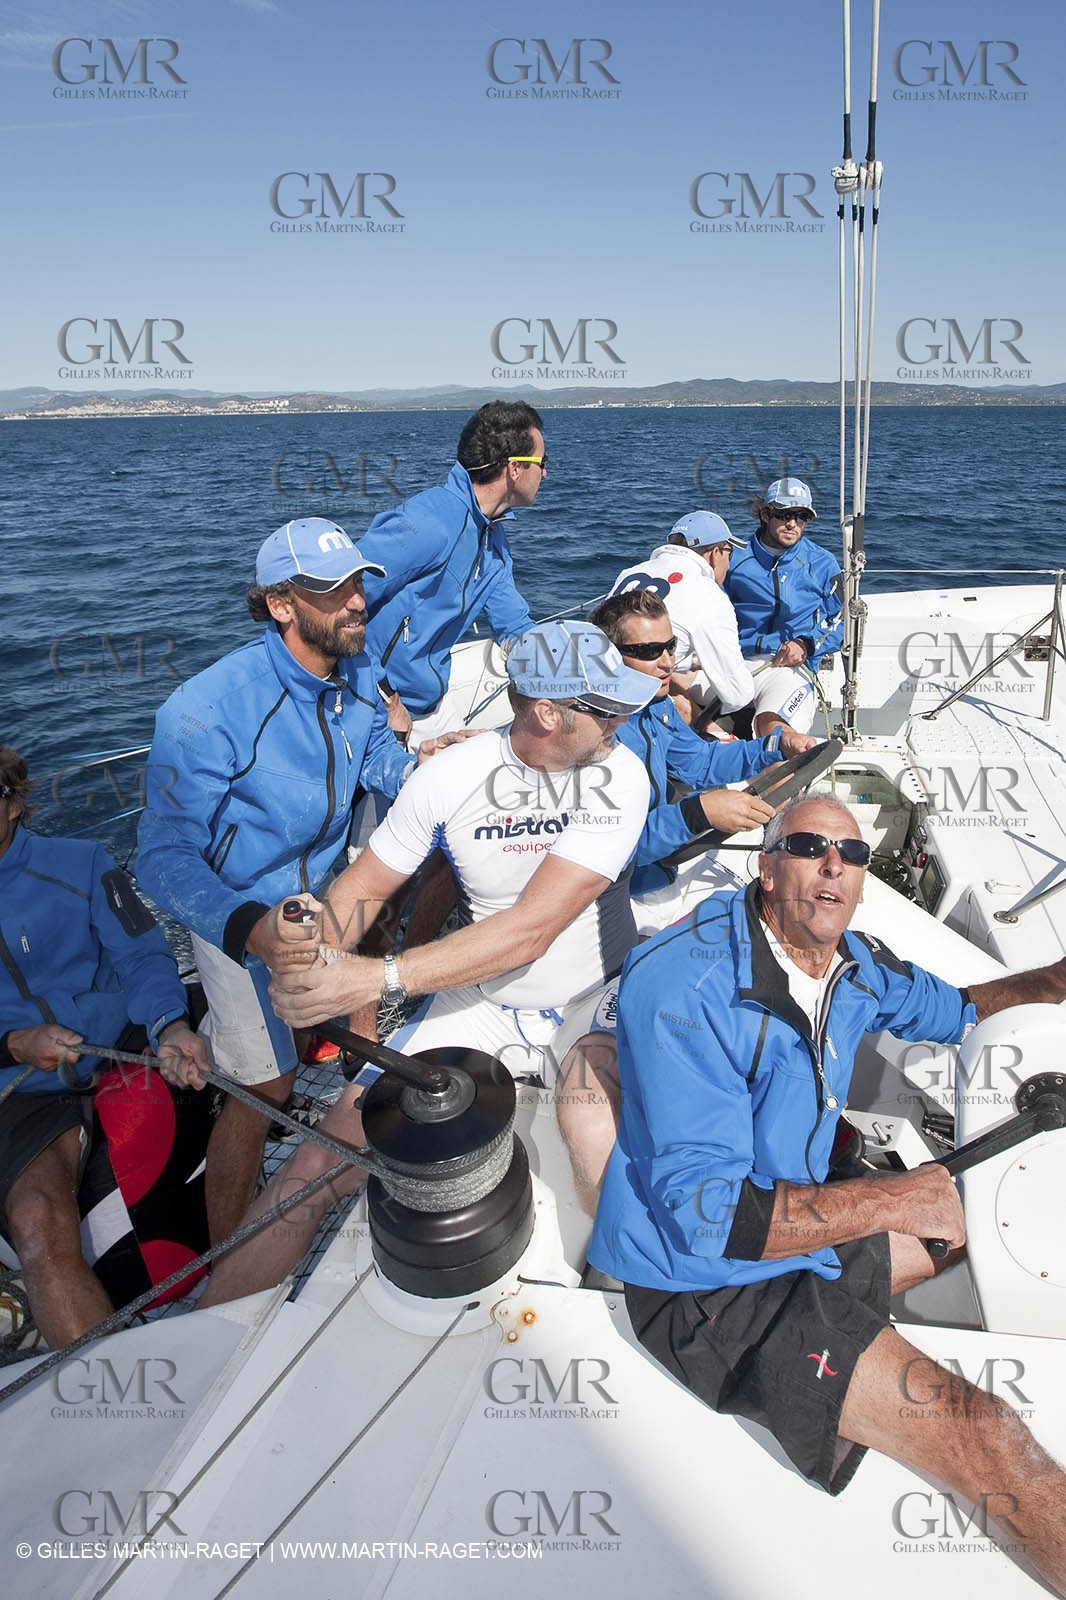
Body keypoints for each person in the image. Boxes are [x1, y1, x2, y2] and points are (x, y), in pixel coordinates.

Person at [589, 792, 1066, 1591]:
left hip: (792, 1220)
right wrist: (892, 1198)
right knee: (982, 1429)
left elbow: (953, 1011)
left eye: (851, 853)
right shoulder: (687, 986)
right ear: (768, 866)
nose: (833, 865)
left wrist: (1051, 981)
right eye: (808, 846)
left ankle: (846, 1322)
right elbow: (711, 1220)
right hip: (698, 1286)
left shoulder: (852, 964)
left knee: (983, 1233)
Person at [198, 620, 658, 1304]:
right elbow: (362, 890)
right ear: (550, 712)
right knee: (319, 1159)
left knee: (591, 1127)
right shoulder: (450, 778)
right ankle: (203, 1336)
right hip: (482, 1001)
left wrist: (375, 977)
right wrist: (305, 959)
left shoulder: (620, 773)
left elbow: (531, 930)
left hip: (594, 991)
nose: (623, 720)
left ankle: (633, 1302)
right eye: (608, 708)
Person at [137, 517, 443, 1245]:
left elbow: (378, 762)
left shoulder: (358, 672)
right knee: (264, 1087)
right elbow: (161, 856)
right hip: (238, 911)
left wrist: (431, 771)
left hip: (330, 887)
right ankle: (225, 1254)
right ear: (281, 604)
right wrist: (252, 931)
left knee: (363, 1000)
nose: (357, 601)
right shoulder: (205, 709)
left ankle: (362, 1120)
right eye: (332, 590)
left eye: (358, 582)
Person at [0, 746, 208, 1347]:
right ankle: (110, 1406)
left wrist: (170, 1026)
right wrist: (13, 1043)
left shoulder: (84, 862)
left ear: (13, 802)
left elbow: (142, 955)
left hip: (117, 1044)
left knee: (247, 1054)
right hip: (21, 1090)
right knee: (38, 1222)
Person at [588, 589, 818, 895]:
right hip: (619, 889)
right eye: (649, 651)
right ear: (609, 655)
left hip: (659, 865)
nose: (668, 662)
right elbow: (604, 852)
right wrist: (697, 814)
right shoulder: (593, 733)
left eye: (670, 647)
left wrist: (775, 746)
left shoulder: (654, 704)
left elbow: (699, 762)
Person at [358, 401, 544, 743]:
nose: (545, 473)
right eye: (541, 463)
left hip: (433, 700)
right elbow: (337, 603)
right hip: (379, 705)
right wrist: (385, 699)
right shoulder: (429, 523)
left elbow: (513, 624)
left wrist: (562, 665)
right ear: (515, 469)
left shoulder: (493, 538)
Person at [610, 510, 753, 729]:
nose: (728, 564)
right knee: (685, 705)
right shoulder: (708, 593)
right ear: (714, 554)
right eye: (729, 553)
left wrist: (686, 665)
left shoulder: (628, 573)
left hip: (604, 684)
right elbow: (737, 694)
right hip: (637, 704)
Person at [723, 478, 843, 737]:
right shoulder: (732, 556)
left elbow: (841, 620)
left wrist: (806, 645)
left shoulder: (823, 562)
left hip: (790, 668)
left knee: (776, 732)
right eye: (784, 514)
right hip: (732, 661)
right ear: (766, 514)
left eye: (801, 517)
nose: (792, 523)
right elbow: (711, 610)